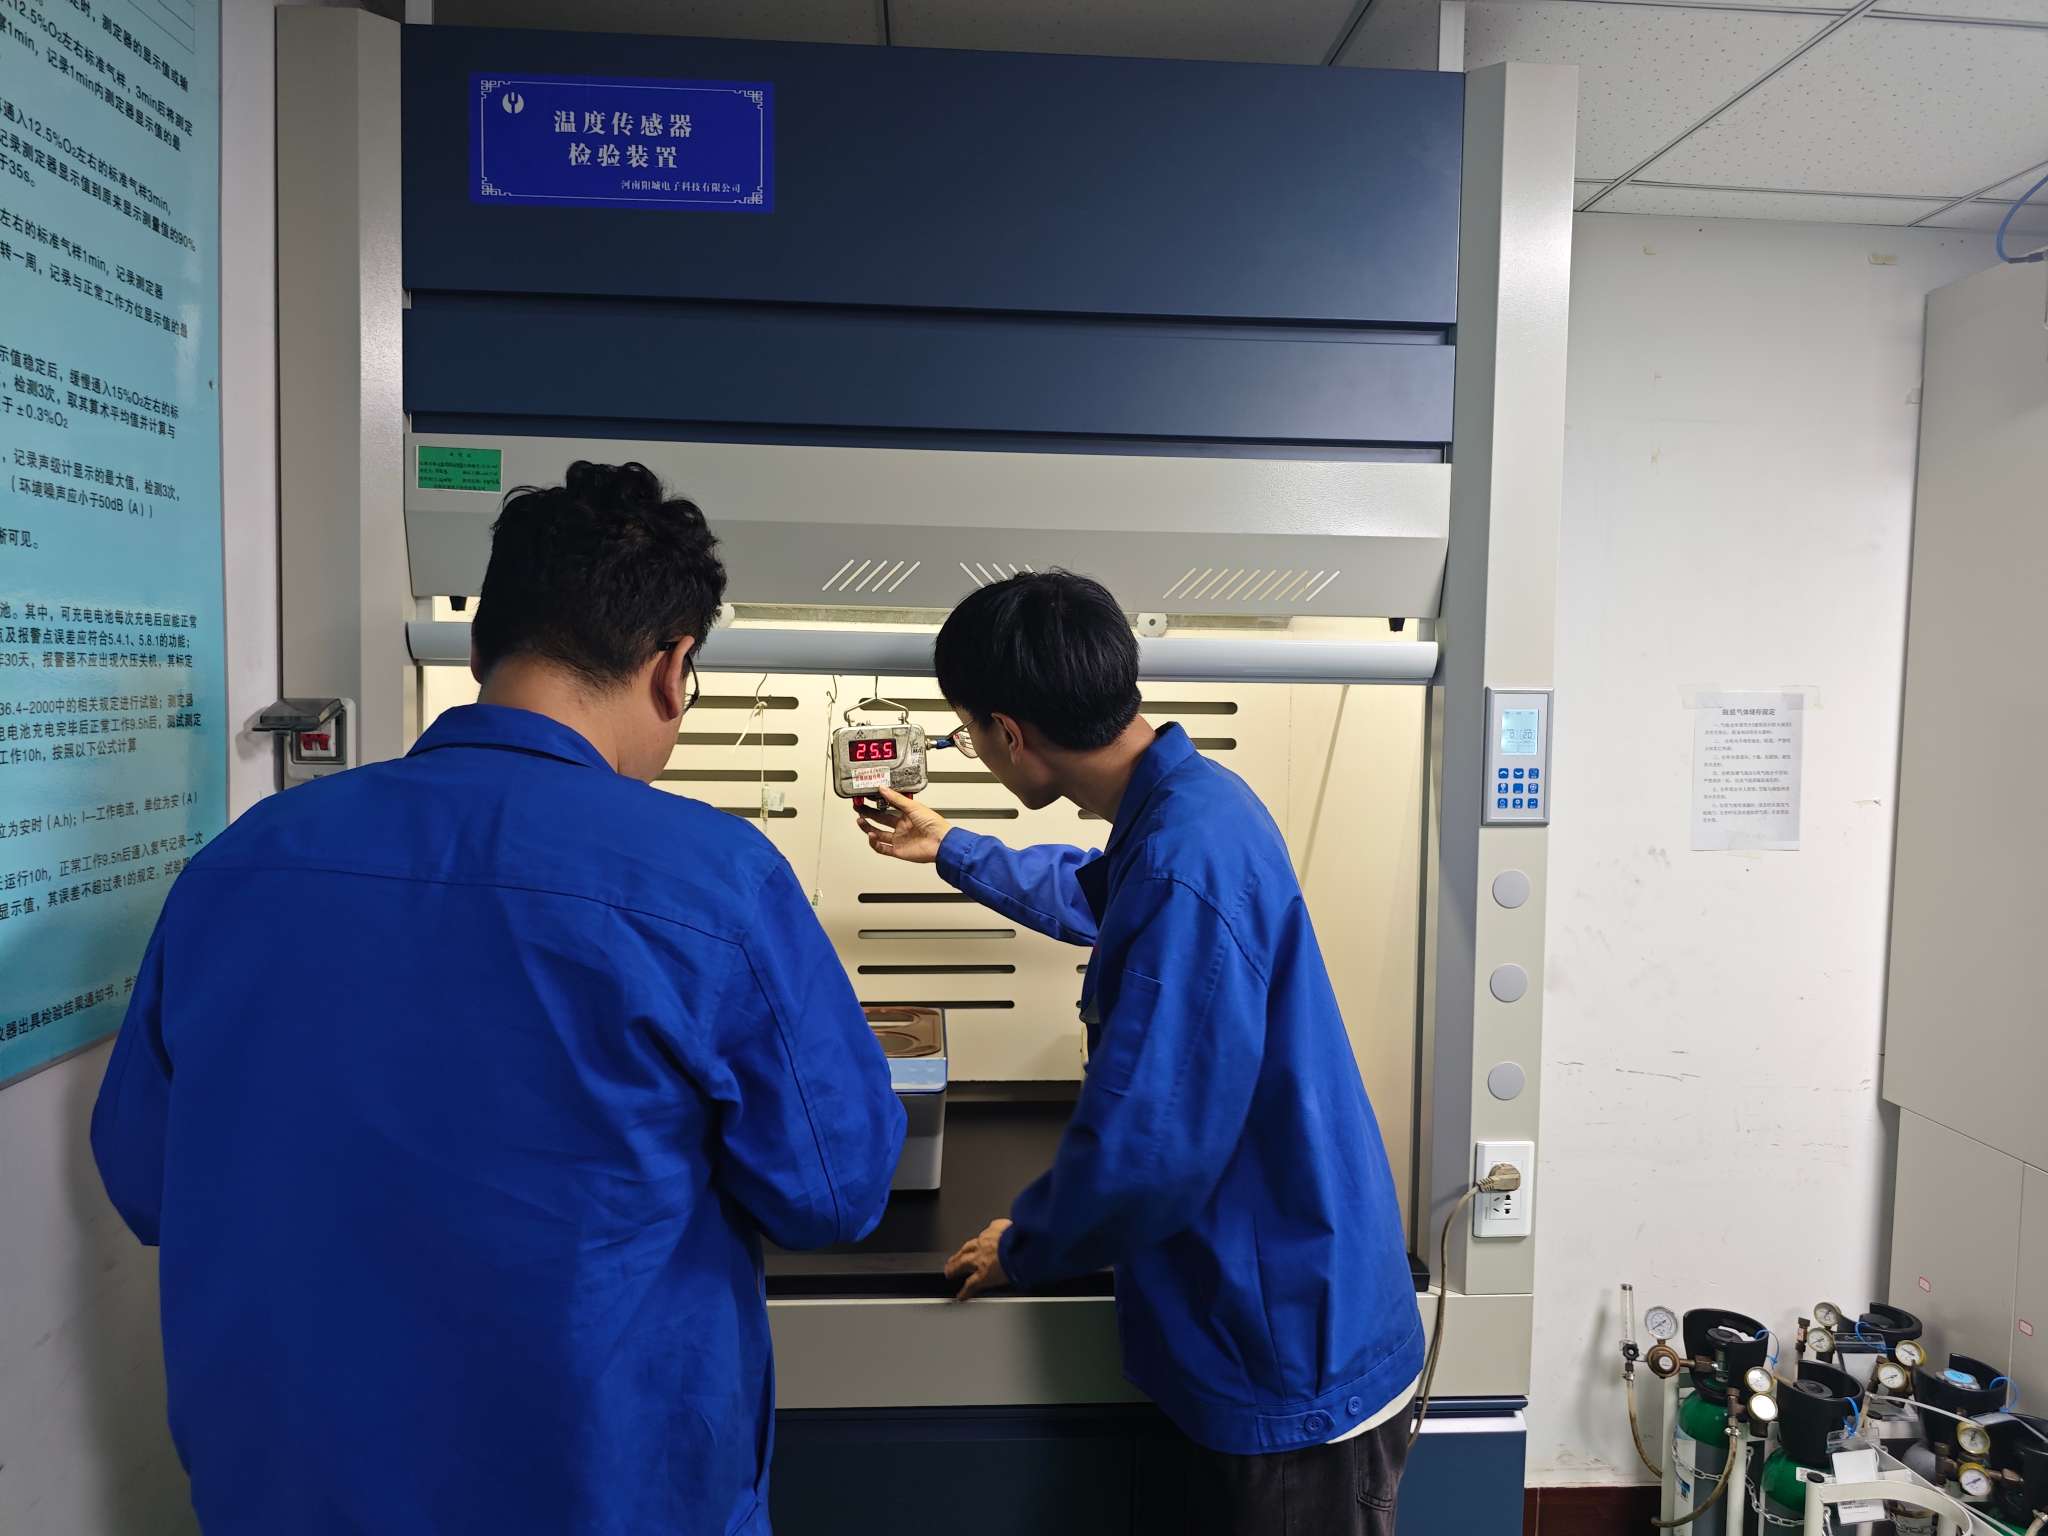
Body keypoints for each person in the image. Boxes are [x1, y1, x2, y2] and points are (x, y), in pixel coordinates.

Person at [92, 461, 905, 1536]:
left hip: (289, 1489)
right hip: (600, 1493)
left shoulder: (241, 864)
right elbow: (834, 1193)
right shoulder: (713, 882)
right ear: (673, 669)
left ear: (479, 650)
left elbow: (146, 1180)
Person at [855, 570, 1423, 1536]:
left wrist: (1026, 1244)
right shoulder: (1191, 806)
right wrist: (949, 844)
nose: (975, 749)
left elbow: (1148, 1152)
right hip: (1281, 1295)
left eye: (967, 732)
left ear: (1008, 732)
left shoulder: (1182, 857)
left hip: (1288, 1350)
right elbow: (1103, 892)